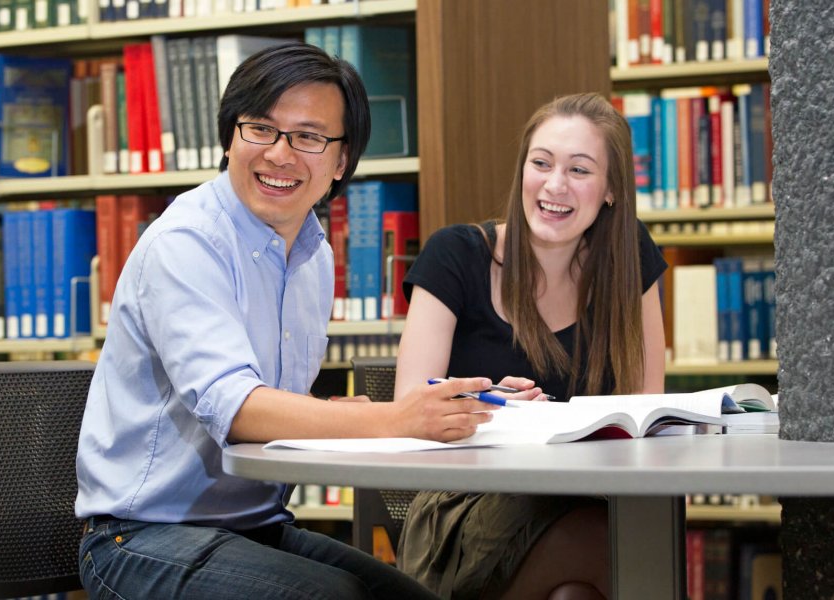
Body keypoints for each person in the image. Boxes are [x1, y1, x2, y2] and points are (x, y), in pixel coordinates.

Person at [75, 41, 497, 600]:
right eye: (260, 129)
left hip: (253, 526)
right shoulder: (188, 241)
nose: (279, 154)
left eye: (308, 137)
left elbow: (271, 402)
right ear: (230, 137)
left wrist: (467, 406)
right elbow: (237, 407)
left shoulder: (314, 255)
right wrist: (396, 419)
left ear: (341, 160)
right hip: (140, 538)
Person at [393, 92, 668, 600]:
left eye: (580, 170)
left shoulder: (630, 258)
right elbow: (408, 406)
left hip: (589, 495)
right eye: (541, 163)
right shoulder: (455, 256)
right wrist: (490, 405)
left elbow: (646, 408)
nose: (554, 185)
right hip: (466, 506)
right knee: (620, 543)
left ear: (611, 190)